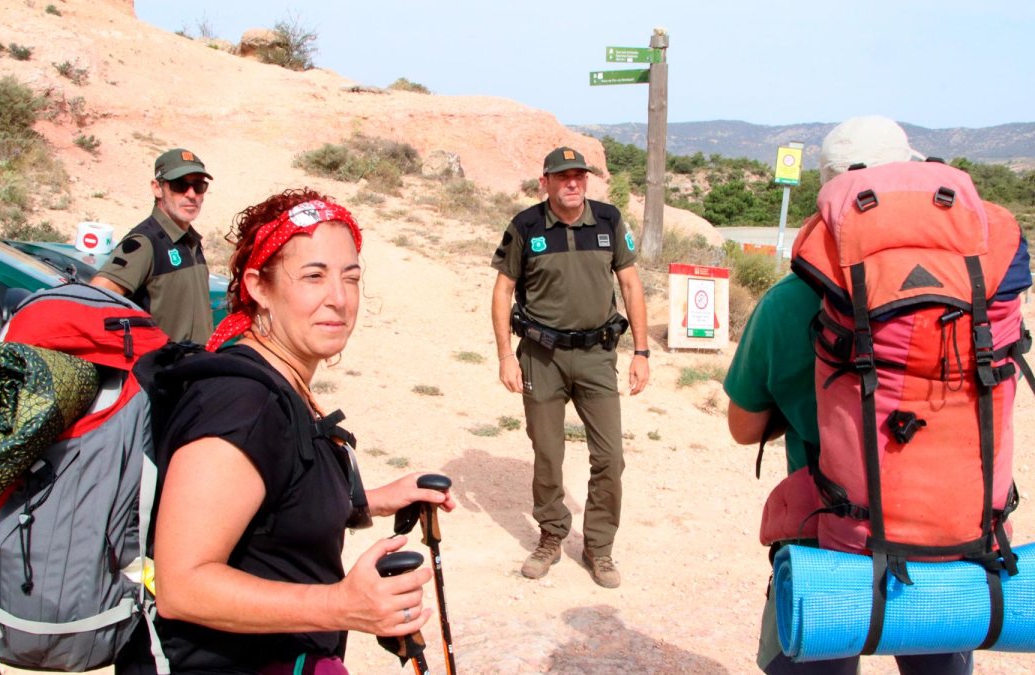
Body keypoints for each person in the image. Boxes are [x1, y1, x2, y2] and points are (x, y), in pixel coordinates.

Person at [116, 188, 455, 674]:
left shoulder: (281, 383)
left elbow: (274, 502)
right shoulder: (241, 403)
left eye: (350, 277)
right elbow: (181, 587)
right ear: (258, 287)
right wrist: (342, 605)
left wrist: (374, 500)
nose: (339, 299)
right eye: (313, 276)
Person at [724, 116, 973, 674]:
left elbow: (743, 427)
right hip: (947, 534)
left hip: (830, 541)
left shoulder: (789, 300)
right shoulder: (972, 290)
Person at [490, 146, 650, 589]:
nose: (573, 183)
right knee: (548, 452)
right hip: (541, 358)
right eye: (563, 176)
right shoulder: (525, 226)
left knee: (610, 457)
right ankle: (551, 535)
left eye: (579, 175)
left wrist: (641, 352)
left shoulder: (608, 221)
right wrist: (505, 356)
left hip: (598, 356)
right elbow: (503, 291)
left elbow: (631, 285)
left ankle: (599, 546)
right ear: (546, 182)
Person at [92, 148, 215, 344]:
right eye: (179, 185)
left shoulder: (190, 241)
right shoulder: (146, 242)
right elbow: (92, 302)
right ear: (157, 188)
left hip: (199, 361)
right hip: (163, 363)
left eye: (199, 186)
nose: (191, 194)